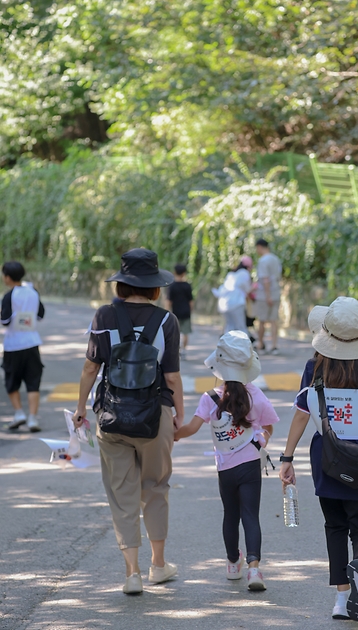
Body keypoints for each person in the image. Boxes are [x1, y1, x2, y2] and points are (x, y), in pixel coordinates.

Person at [72, 248, 183, 595]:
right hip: (156, 416)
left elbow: (91, 367)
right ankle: (159, 566)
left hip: (111, 416)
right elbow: (173, 378)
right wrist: (178, 415)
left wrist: (79, 407)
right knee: (155, 488)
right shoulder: (167, 321)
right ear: (154, 288)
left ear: (121, 284)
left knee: (122, 494)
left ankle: (131, 573)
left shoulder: (103, 316)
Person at [279, 297, 358, 621]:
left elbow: (302, 416)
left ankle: (341, 598)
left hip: (327, 459)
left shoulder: (314, 368)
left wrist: (286, 458)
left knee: (334, 527)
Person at [175, 330, 279, 591]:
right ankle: (254, 569)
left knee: (230, 515)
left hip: (226, 470)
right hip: (251, 465)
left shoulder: (210, 398)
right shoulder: (255, 394)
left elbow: (191, 428)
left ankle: (234, 562)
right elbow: (269, 426)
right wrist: (261, 438)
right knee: (250, 516)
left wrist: (172, 435)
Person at [1, 261, 45, 432]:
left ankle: (19, 413)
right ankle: (33, 418)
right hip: (32, 342)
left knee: (12, 380)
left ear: (8, 277)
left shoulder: (8, 296)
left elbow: (5, 321)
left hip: (13, 345)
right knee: (33, 381)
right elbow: (40, 315)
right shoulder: (33, 292)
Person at [212, 257, 253, 336]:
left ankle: (227, 346)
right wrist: (254, 288)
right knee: (241, 328)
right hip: (236, 303)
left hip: (224, 304)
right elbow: (247, 290)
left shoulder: (231, 274)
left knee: (229, 327)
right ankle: (244, 346)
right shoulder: (244, 273)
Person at [255, 239, 282, 355]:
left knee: (262, 320)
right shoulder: (276, 259)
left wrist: (267, 295)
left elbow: (265, 279)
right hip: (276, 292)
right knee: (274, 320)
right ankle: (274, 345)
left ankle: (260, 344)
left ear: (260, 247)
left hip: (264, 295)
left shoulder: (263, 261)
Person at [166, 263, 194, 359]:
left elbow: (169, 301)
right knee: (185, 332)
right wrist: (190, 310)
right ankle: (184, 350)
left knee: (175, 333)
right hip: (186, 312)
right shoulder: (187, 286)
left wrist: (167, 312)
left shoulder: (172, 286)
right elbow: (191, 301)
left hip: (175, 313)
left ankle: (176, 350)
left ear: (174, 272)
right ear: (184, 273)